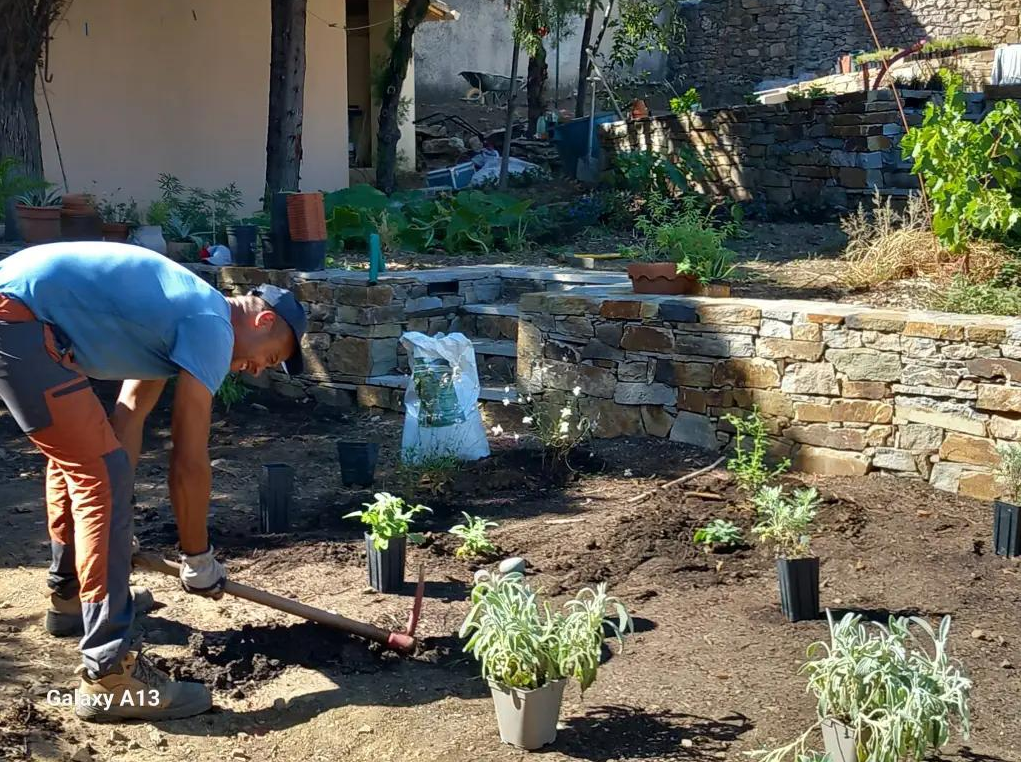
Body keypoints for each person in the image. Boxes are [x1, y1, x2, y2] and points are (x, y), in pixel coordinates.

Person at [0, 241, 306, 721]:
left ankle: (70, 597)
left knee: (88, 460)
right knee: (99, 476)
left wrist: (113, 541)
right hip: (17, 318)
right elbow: (188, 458)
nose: (255, 370)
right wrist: (197, 556)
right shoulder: (211, 325)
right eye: (269, 358)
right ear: (264, 320)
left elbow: (128, 417)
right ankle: (109, 675)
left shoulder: (176, 316)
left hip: (19, 314)